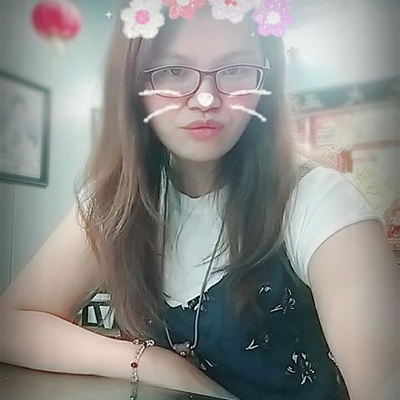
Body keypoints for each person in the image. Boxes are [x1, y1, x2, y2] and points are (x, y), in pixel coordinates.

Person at [0, 2, 399, 400]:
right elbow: (12, 324)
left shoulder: (317, 200)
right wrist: (149, 362)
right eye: (173, 71)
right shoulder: (118, 201)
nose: (206, 100)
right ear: (133, 86)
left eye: (235, 69)